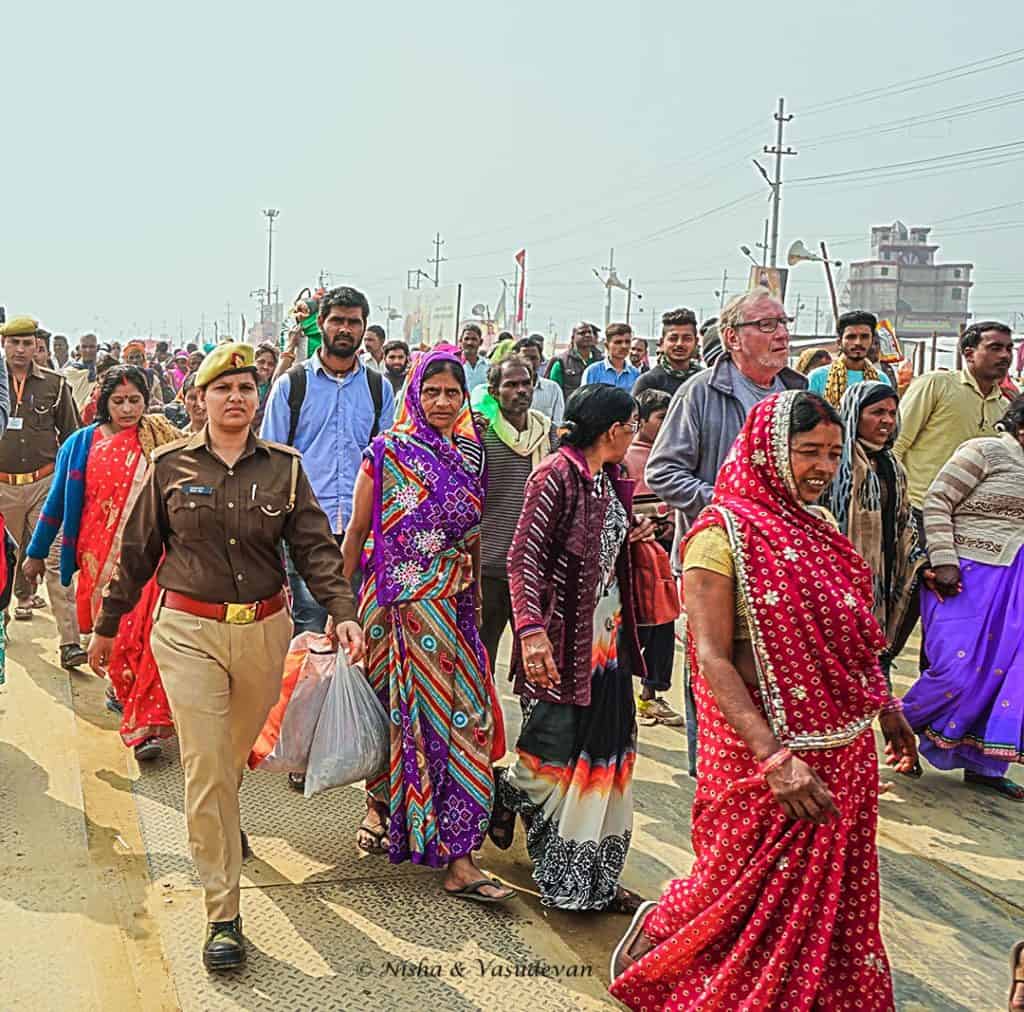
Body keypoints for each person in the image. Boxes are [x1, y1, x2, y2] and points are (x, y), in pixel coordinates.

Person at [609, 391, 917, 1011]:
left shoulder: (822, 530)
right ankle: (665, 934)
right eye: (808, 452)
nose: (823, 469)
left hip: (842, 747)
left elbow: (857, 635)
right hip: (760, 751)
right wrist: (775, 759)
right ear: (770, 451)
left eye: (833, 454)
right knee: (733, 885)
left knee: (833, 899)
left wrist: (887, 708)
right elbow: (713, 660)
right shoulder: (717, 538)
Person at [87, 343, 363, 971]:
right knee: (207, 764)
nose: (235, 397)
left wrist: (343, 613)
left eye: (245, 387)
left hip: (264, 632)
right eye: (222, 388)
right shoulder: (167, 466)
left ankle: (222, 813)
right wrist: (105, 626)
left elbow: (317, 550)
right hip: (188, 631)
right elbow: (136, 553)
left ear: (255, 398)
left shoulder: (285, 470)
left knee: (232, 757)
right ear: (199, 399)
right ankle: (223, 913)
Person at [340, 347, 513, 902]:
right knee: (394, 716)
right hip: (392, 608)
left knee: (464, 724)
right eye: (432, 391)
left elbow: (474, 534)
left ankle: (459, 853)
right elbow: (355, 535)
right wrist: (337, 610)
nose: (442, 402)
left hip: (454, 608)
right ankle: (385, 810)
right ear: (415, 393)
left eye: (453, 392)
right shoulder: (386, 453)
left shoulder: (469, 457)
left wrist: (478, 615)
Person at [493, 384, 650, 913]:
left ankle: (589, 882)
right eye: (631, 425)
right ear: (612, 431)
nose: (635, 434)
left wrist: (632, 531)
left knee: (604, 759)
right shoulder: (554, 476)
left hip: (608, 643)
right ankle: (506, 795)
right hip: (562, 642)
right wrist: (531, 631)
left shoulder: (610, 479)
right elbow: (523, 559)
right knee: (553, 760)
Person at [646, 289, 805, 774]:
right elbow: (663, 471)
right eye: (766, 325)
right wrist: (729, 509)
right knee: (714, 667)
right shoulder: (700, 391)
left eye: (783, 321)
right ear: (733, 337)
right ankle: (712, 772)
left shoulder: (793, 396)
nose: (781, 333)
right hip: (713, 562)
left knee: (774, 668)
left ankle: (768, 766)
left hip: (779, 562)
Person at [24, 366, 182, 760]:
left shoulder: (159, 440)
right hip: (98, 559)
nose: (128, 409)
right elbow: (57, 501)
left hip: (151, 558)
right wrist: (37, 552)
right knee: (116, 637)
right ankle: (124, 694)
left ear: (147, 400)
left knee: (144, 635)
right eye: (119, 401)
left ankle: (143, 724)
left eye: (135, 400)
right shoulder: (80, 444)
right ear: (102, 402)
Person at [902, 394, 1024, 801]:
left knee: (1005, 674)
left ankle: (985, 765)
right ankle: (899, 729)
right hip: (967, 576)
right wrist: (944, 559)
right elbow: (938, 500)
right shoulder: (987, 450)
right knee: (954, 670)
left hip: (1016, 584)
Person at [261, 286, 395, 634]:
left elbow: (388, 463)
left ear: (364, 329)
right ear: (320, 323)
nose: (345, 329)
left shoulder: (380, 390)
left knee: (355, 625)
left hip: (361, 529)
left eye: (354, 322)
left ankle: (346, 692)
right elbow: (271, 462)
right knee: (310, 625)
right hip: (306, 529)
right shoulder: (292, 385)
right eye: (337, 320)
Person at [824, 382, 928, 687]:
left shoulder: (892, 465)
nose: (887, 420)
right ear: (854, 414)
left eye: (892, 413)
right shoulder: (835, 462)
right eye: (877, 412)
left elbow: (903, 520)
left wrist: (917, 563)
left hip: (878, 584)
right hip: (838, 580)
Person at [0, 316, 84, 668]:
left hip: (44, 485)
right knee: (4, 562)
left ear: (37, 346)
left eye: (27, 343)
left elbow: (73, 436)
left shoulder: (54, 384)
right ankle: (1, 624)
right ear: (4, 345)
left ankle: (70, 643)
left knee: (54, 561)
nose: (21, 350)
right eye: (14, 343)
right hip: (2, 487)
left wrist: (71, 485)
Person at [894, 320, 1013, 545]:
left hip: (968, 519)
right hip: (919, 507)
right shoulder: (936, 384)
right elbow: (898, 443)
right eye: (995, 348)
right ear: (969, 354)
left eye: (1008, 349)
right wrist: (894, 500)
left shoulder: (1004, 407)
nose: (1005, 356)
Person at [476, 356, 557, 672]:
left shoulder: (548, 434)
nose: (520, 391)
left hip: (534, 568)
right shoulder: (480, 435)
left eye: (526, 383)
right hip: (488, 569)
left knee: (537, 662)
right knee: (482, 661)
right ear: (494, 391)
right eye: (511, 385)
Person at [623, 390, 683, 726]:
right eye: (660, 417)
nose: (665, 424)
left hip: (664, 553)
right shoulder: (628, 456)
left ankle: (651, 695)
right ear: (641, 420)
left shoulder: (673, 455)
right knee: (638, 624)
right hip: (635, 555)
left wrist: (669, 525)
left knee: (664, 621)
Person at [806, 310, 892, 405]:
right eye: (851, 337)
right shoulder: (817, 378)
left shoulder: (881, 379)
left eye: (864, 337)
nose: (858, 342)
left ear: (872, 341)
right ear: (839, 342)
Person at [632, 308, 703, 398]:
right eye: (673, 338)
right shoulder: (648, 382)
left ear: (696, 342)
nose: (679, 344)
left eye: (686, 338)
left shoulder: (703, 379)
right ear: (662, 342)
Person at [513, 336, 564, 425]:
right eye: (525, 358)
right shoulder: (507, 389)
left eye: (534, 358)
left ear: (541, 360)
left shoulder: (552, 388)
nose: (529, 362)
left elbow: (557, 422)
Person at [545, 321, 601, 397]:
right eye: (582, 333)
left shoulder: (601, 361)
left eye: (590, 332)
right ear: (573, 337)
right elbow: (554, 391)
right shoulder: (561, 362)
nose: (587, 335)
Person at [582, 322, 641, 390]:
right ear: (607, 345)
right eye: (618, 342)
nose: (624, 346)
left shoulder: (635, 374)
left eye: (627, 342)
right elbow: (584, 399)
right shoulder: (593, 372)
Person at [124, 340, 165, 408]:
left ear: (143, 358)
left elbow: (160, 402)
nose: (135, 361)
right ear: (127, 361)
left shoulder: (151, 377)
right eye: (131, 358)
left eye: (138, 357)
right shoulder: (122, 377)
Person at [253, 342, 279, 429]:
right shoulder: (244, 385)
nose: (265, 367)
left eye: (271, 364)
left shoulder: (274, 389)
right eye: (261, 362)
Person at [458, 323, 490, 390]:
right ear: (461, 341)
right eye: (466, 339)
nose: (470, 342)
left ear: (480, 342)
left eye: (474, 339)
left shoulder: (488, 366)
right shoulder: (455, 364)